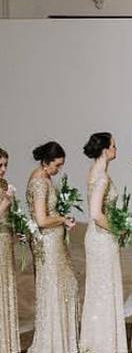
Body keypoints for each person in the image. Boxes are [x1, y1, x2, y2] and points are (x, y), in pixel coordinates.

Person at [26, 141, 79, 353]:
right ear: (46, 162)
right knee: (54, 288)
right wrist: (63, 219)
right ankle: (53, 343)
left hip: (53, 241)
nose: (59, 170)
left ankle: (62, 340)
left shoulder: (45, 177)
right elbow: (41, 220)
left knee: (65, 286)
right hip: (48, 243)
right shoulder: (39, 182)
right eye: (57, 165)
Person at [79, 131, 126, 353]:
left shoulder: (95, 172)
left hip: (97, 236)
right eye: (114, 146)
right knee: (104, 287)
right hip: (101, 237)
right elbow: (97, 214)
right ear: (105, 150)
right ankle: (103, 343)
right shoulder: (102, 176)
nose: (116, 149)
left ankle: (100, 339)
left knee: (101, 287)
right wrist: (119, 229)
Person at [0, 148, 19, 353]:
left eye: (6, 165)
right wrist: (6, 201)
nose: (4, 170)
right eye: (0, 166)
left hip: (6, 241)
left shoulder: (4, 185)